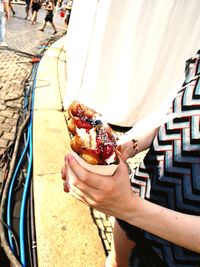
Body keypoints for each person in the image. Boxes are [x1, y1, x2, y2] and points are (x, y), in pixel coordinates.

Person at [61, 50, 200, 266]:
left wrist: (129, 208)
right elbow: (177, 107)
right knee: (116, 261)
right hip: (141, 192)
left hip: (180, 255)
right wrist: (128, 144)